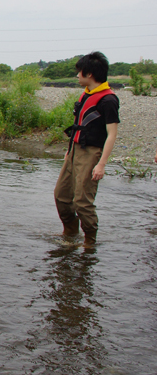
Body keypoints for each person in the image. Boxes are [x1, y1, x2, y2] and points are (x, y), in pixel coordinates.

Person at [54, 51, 120, 244]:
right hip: (75, 150)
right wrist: (69, 151)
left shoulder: (108, 100)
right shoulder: (86, 95)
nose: (77, 75)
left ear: (89, 73)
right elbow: (78, 125)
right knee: (61, 196)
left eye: (79, 71)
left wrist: (101, 164)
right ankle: (70, 234)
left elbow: (112, 134)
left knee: (82, 202)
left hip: (91, 153)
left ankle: (90, 243)